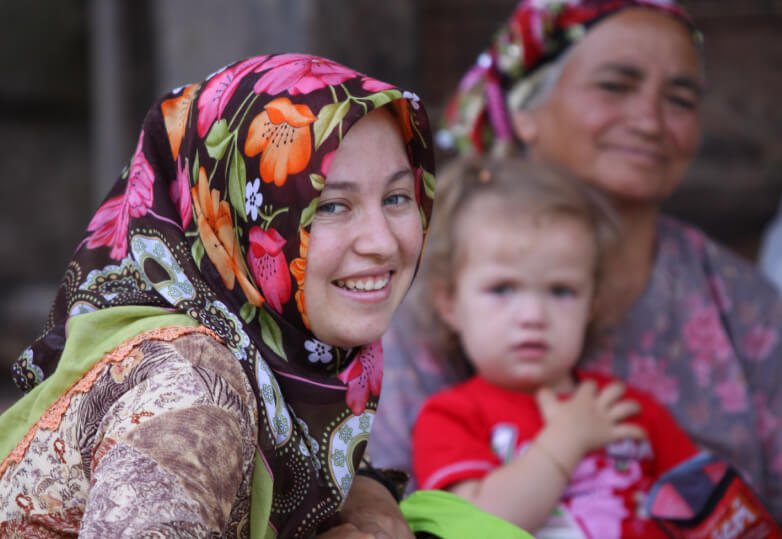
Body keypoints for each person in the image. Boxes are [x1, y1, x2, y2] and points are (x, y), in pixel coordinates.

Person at [369, 0, 782, 521]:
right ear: (525, 109)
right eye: (615, 85)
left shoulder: (744, 306)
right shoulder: (417, 299)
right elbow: (391, 510)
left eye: (680, 99)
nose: (650, 120)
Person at [0, 53, 435, 538]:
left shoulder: (273, 357)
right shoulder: (194, 389)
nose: (380, 241)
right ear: (233, 223)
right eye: (331, 206)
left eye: (397, 197)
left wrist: (368, 494)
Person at [410, 156, 698, 537]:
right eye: (503, 289)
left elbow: (713, 512)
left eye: (561, 291)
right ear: (449, 302)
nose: (533, 315)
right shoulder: (451, 417)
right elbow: (476, 527)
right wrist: (564, 442)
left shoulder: (625, 410)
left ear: (591, 304)